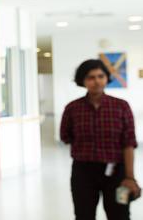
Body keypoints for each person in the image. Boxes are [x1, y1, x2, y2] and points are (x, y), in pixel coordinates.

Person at [60, 59, 140, 220]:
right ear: (82, 80)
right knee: (84, 215)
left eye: (100, 76)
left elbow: (128, 143)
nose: (96, 81)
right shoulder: (72, 108)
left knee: (120, 215)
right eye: (90, 77)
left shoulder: (121, 106)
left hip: (117, 173)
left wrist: (130, 177)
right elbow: (65, 136)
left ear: (106, 78)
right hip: (83, 173)